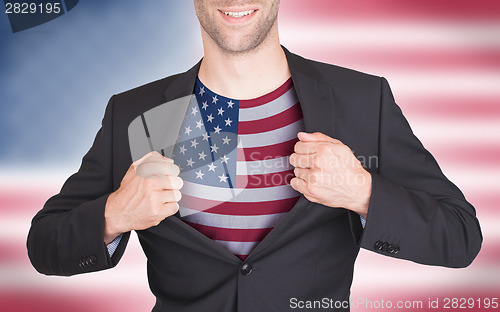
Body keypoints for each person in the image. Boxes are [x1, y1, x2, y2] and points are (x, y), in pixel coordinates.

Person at [27, 1, 482, 311]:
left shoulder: (362, 100)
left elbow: (460, 236)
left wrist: (363, 192)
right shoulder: (136, 113)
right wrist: (114, 214)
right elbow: (45, 245)